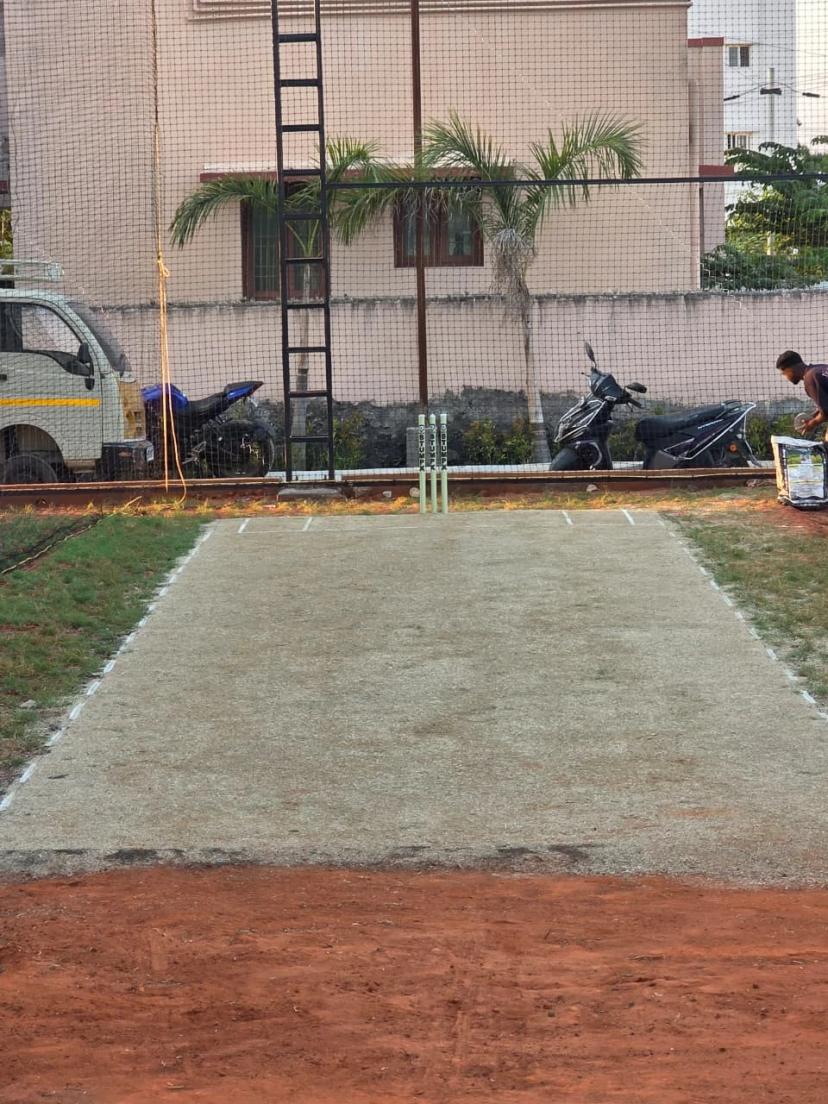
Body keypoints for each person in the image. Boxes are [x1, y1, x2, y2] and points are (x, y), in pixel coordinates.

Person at [775, 351, 828, 442]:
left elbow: (826, 412)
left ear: (789, 370)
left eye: (784, 373)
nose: (786, 377)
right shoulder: (820, 369)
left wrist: (812, 423)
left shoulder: (810, 378)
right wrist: (817, 413)